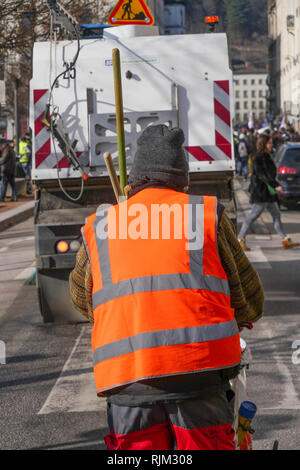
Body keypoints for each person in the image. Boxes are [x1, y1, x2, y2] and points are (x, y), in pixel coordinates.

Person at [70, 125, 264, 451]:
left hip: (128, 380)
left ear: (133, 180)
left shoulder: (104, 224)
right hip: (200, 376)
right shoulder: (205, 216)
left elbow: (79, 298)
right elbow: (250, 298)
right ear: (183, 179)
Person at [238, 134, 299, 251]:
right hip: (261, 193)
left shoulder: (267, 156)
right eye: (269, 143)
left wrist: (275, 185)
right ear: (263, 144)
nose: (272, 145)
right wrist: (275, 186)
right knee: (253, 216)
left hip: (269, 194)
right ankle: (240, 239)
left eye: (271, 143)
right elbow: (263, 175)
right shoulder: (259, 158)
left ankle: (285, 239)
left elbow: (269, 174)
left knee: (276, 215)